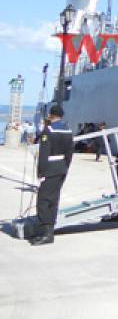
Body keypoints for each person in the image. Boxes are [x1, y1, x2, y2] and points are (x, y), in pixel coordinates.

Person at [30, 103, 74, 246]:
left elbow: (44, 153)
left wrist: (40, 171)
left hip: (49, 168)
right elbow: (70, 153)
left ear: (51, 115)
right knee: (54, 200)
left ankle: (47, 233)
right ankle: (49, 230)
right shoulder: (68, 130)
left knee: (43, 200)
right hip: (61, 167)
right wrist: (65, 167)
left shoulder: (48, 130)